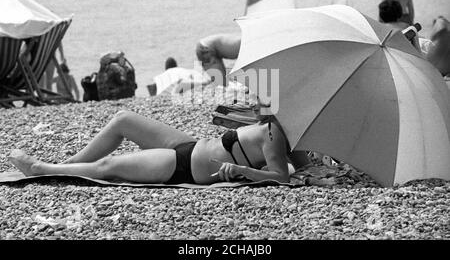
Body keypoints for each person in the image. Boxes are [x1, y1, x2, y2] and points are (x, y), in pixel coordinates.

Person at [8, 100, 311, 185]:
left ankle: (40, 169)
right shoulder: (274, 127)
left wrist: (246, 172)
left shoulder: (275, 133)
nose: (258, 97)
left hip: (184, 168)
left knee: (108, 166)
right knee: (123, 119)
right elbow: (301, 167)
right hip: (190, 145)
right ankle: (66, 165)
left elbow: (280, 176)